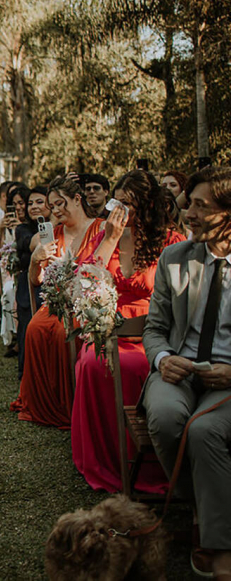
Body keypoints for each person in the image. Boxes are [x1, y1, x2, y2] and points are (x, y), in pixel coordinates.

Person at [71, 170, 185, 493]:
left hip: (156, 331)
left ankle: (152, 462)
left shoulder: (170, 241)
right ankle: (109, 459)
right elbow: (86, 281)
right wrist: (109, 239)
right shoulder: (106, 234)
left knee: (140, 365)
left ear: (147, 206)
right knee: (94, 365)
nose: (118, 211)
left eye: (127, 204)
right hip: (110, 329)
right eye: (115, 203)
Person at [142, 166, 231, 579]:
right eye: (188, 202)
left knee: (204, 430)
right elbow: (155, 329)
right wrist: (162, 360)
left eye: (200, 205)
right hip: (176, 370)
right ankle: (203, 503)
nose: (187, 213)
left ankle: (214, 541)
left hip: (226, 382)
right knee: (165, 416)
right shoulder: (174, 258)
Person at [10, 175, 104, 429]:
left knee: (66, 331)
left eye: (61, 203)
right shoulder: (54, 234)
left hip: (89, 302)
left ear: (77, 199)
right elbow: (36, 280)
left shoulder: (101, 229)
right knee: (35, 328)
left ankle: (72, 403)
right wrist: (35, 259)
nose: (57, 210)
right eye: (53, 206)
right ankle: (44, 403)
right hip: (56, 300)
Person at [11, 185, 50, 379]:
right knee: (27, 327)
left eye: (40, 202)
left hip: (53, 281)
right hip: (29, 284)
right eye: (31, 203)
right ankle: (26, 374)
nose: (33, 206)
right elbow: (37, 243)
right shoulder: (22, 229)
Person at [0, 185, 30, 358]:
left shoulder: (31, 225)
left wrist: (21, 228)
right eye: (14, 204)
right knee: (9, 290)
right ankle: (16, 337)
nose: (19, 208)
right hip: (9, 273)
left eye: (22, 203)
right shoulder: (5, 225)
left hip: (28, 271)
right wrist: (0, 228)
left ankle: (24, 338)